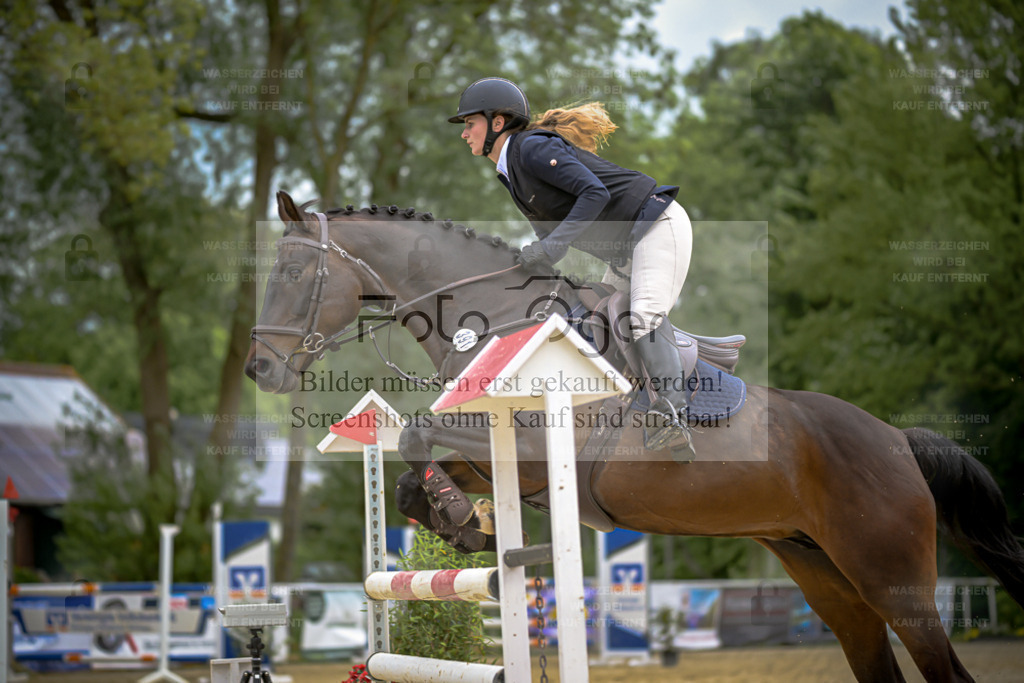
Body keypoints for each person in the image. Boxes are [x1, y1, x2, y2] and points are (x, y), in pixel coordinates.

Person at [449, 76, 696, 459]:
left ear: (497, 123)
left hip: (657, 226)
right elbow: (553, 242)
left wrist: (548, 248)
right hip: (626, 250)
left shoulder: (530, 148)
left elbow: (594, 192)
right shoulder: (510, 173)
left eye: (470, 123)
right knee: (598, 317)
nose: (465, 133)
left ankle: (672, 417)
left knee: (643, 314)